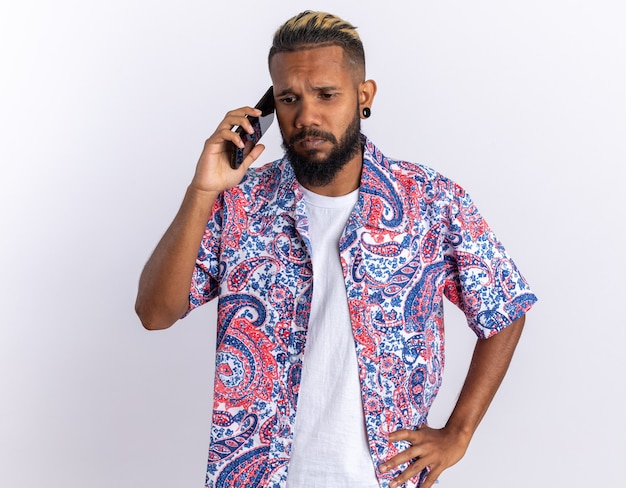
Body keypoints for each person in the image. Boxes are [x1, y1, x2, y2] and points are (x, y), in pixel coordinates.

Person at [135, 10, 537, 488]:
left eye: (327, 95)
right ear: (269, 107)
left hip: (383, 477)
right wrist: (202, 192)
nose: (307, 117)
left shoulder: (430, 200)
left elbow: (505, 308)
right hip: (257, 477)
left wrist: (459, 432)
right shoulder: (237, 205)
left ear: (363, 97)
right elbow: (155, 313)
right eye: (289, 99)